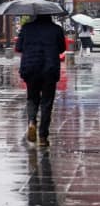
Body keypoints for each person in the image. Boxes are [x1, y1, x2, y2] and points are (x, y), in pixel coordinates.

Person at [16, 14, 66, 147]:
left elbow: (18, 47)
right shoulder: (56, 29)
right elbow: (62, 48)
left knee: (32, 98)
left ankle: (32, 121)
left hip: (31, 68)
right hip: (49, 69)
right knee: (47, 102)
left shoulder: (26, 28)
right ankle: (43, 137)